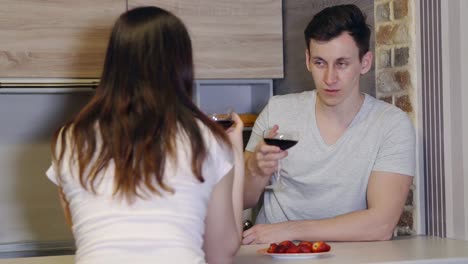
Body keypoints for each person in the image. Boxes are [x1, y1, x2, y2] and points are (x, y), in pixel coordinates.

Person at [46, 6, 244, 264]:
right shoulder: (205, 138)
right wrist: (234, 151)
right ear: (181, 64)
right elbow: (221, 251)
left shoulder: (69, 139)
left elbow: (84, 230)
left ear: (113, 62)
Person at [242, 4, 415, 244]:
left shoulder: (391, 125)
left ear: (365, 62)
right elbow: (242, 199)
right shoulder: (278, 111)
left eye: (342, 64)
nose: (329, 78)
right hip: (271, 253)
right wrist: (255, 169)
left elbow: (381, 225)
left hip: (347, 256)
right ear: (308, 60)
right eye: (320, 63)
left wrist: (289, 230)